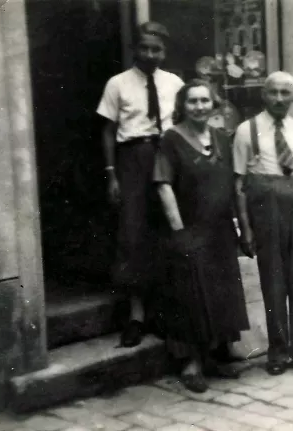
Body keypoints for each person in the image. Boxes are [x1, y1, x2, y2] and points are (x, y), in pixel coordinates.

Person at [153, 80, 250, 393]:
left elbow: (234, 185)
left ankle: (219, 355)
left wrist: (238, 224)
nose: (198, 106)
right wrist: (178, 230)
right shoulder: (171, 139)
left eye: (204, 101)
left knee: (221, 291)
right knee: (191, 294)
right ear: (183, 105)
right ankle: (191, 362)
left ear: (213, 104)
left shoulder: (222, 137)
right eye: (192, 101)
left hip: (219, 229)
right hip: (191, 228)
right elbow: (163, 185)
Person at [96, 22, 184, 347]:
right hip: (133, 158)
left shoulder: (175, 83)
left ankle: (164, 313)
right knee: (133, 235)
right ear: (136, 49)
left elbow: (186, 124)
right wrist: (112, 174)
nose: (150, 54)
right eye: (144, 47)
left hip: (168, 156)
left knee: (168, 231)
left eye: (156, 49)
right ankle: (136, 315)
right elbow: (107, 130)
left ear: (165, 51)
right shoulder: (117, 84)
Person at [233, 71, 293, 376]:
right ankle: (278, 352)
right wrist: (245, 228)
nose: (280, 98)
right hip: (266, 208)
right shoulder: (247, 131)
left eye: (286, 93)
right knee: (273, 284)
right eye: (274, 92)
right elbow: (239, 185)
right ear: (263, 94)